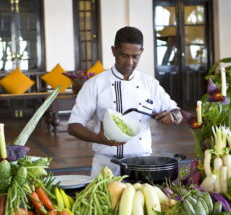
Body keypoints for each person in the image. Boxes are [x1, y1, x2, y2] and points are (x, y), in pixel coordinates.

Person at [68, 26, 182, 177]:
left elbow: (177, 112)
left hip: (142, 165)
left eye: (135, 56)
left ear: (142, 52)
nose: (130, 62)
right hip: (105, 166)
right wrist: (99, 139)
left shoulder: (149, 83)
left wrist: (172, 117)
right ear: (114, 51)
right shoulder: (95, 84)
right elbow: (73, 126)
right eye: (124, 55)